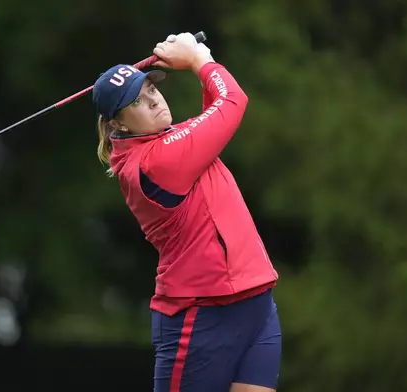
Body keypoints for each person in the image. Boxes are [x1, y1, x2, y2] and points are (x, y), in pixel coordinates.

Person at [91, 32, 281, 392]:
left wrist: (201, 57)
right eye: (138, 101)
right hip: (200, 317)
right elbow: (232, 102)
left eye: (152, 90)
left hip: (255, 303)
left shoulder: (169, 140)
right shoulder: (154, 163)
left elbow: (212, 112)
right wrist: (198, 61)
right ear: (118, 124)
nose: (154, 101)